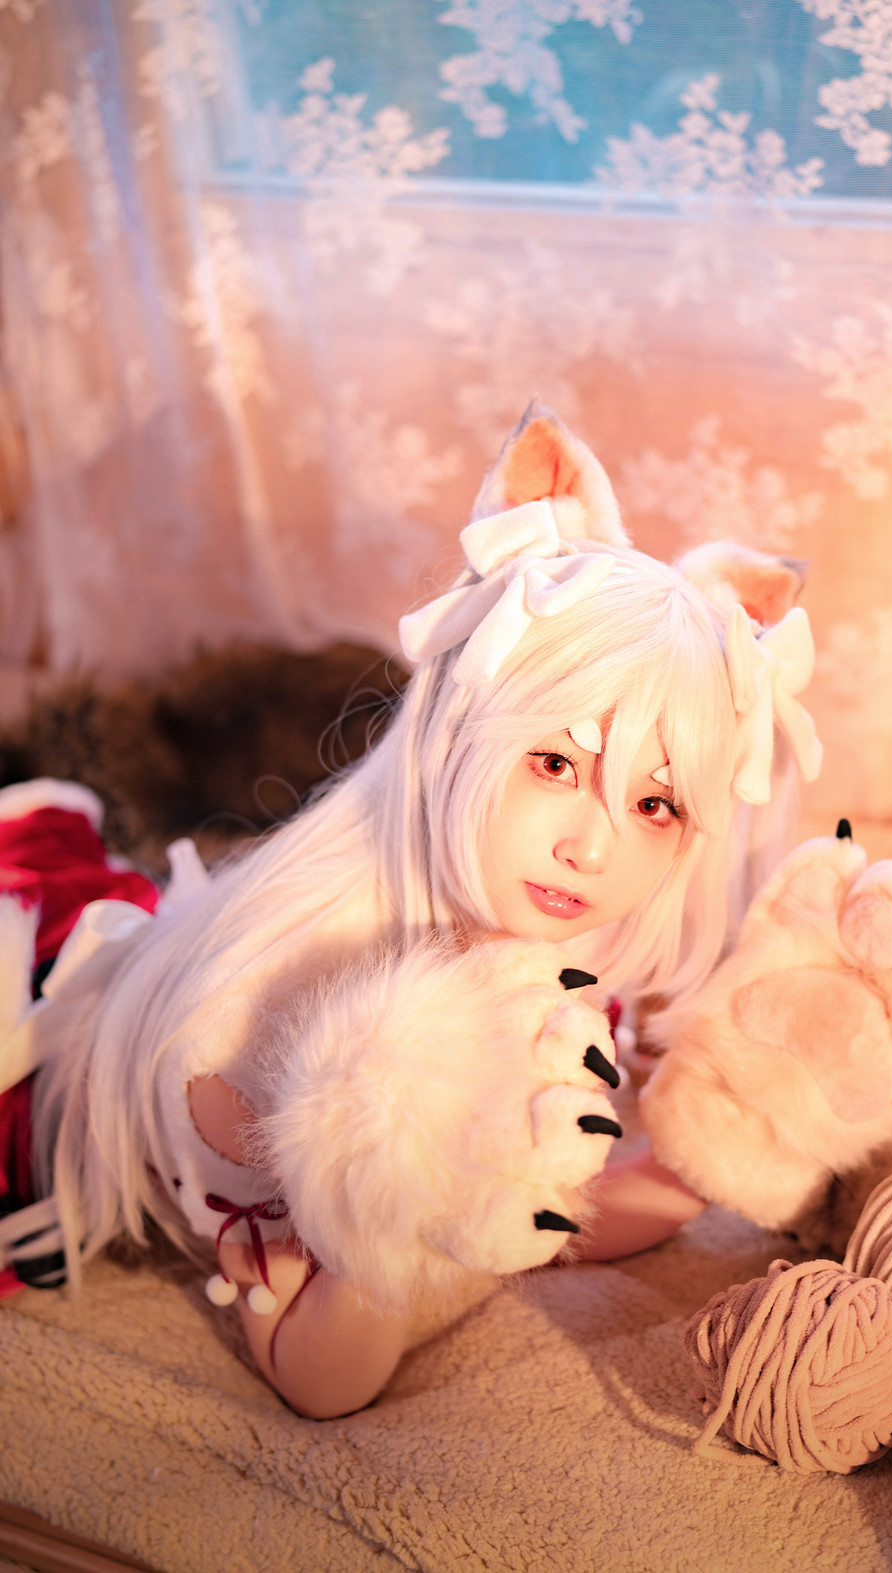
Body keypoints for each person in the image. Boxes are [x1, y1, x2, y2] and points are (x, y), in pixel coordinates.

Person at [7, 404, 820, 1419]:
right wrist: (394, 1186)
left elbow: (544, 1219)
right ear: (460, 728)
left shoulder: (549, 954)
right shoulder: (267, 1019)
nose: (593, 847)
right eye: (555, 762)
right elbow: (323, 1375)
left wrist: (721, 1144)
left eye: (655, 805)